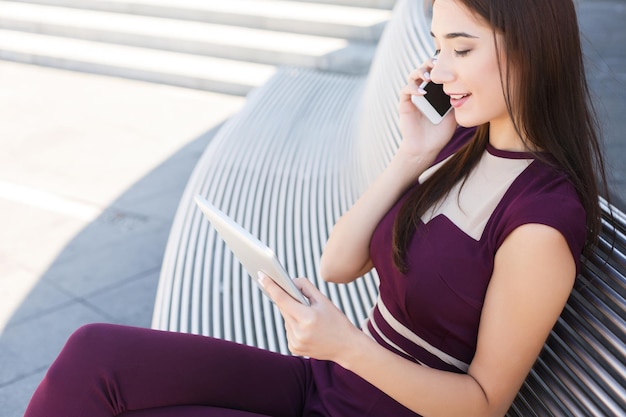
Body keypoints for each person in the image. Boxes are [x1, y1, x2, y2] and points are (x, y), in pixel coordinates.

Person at [24, 0, 609, 416]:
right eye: (437, 45)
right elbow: (336, 264)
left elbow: (483, 404)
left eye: (461, 47)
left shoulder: (539, 223)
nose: (441, 70)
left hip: (372, 395)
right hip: (329, 380)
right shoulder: (460, 142)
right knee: (93, 354)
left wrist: (348, 345)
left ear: (531, 51)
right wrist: (412, 154)